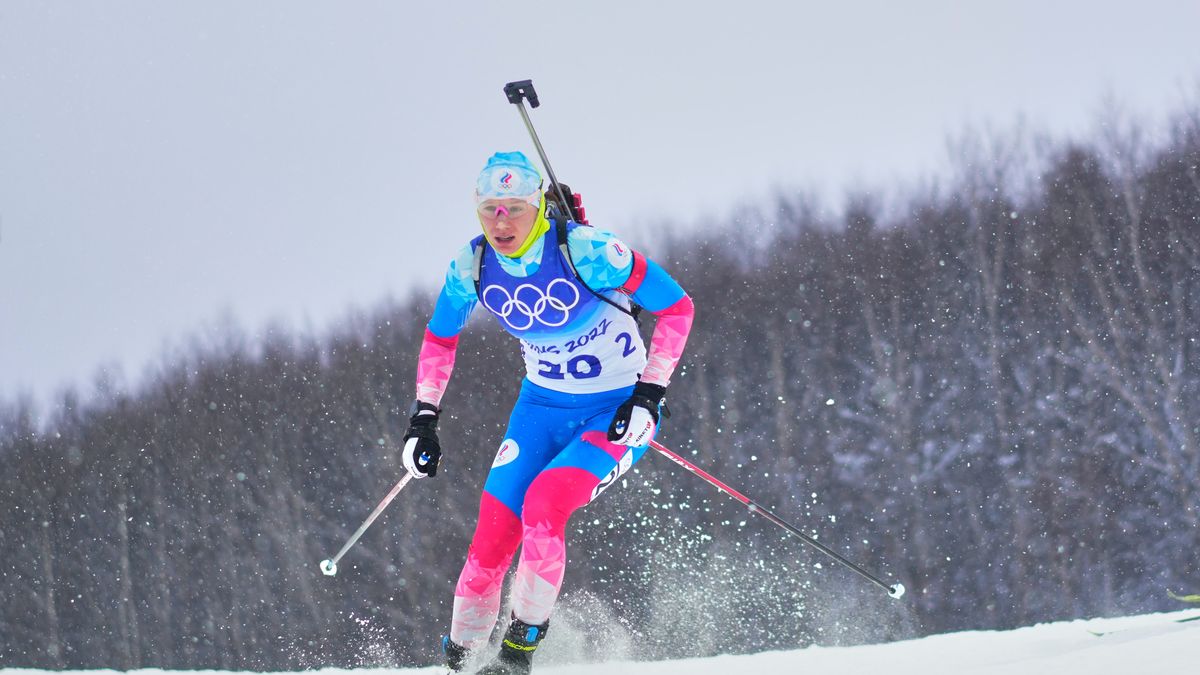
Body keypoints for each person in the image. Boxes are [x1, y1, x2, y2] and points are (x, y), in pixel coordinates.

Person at [401, 151, 694, 675]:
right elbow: (440, 338)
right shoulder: (472, 267)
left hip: (615, 412)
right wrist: (424, 418)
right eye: (490, 208)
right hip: (538, 411)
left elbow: (677, 307)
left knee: (544, 507)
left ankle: (516, 655)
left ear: (539, 206)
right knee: (490, 542)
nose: (501, 222)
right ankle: (459, 664)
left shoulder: (587, 250)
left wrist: (649, 394)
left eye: (514, 208)